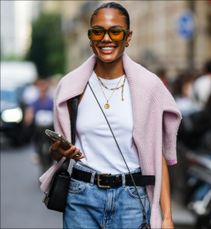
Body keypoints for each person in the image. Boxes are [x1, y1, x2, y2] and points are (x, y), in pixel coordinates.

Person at [40, 2, 181, 228]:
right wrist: (58, 151)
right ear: (90, 37)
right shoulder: (71, 87)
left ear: (128, 37)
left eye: (115, 31)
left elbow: (158, 155)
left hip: (132, 199)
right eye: (98, 31)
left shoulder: (148, 87)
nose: (106, 38)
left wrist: (167, 217)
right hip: (81, 197)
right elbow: (59, 153)